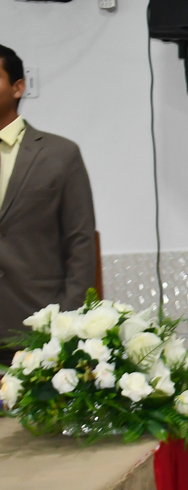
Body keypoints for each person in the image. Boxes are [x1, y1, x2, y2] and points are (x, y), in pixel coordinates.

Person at [0, 43, 96, 364]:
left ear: (18, 87)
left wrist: (68, 318)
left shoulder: (59, 155)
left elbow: (80, 240)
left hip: (37, 323)